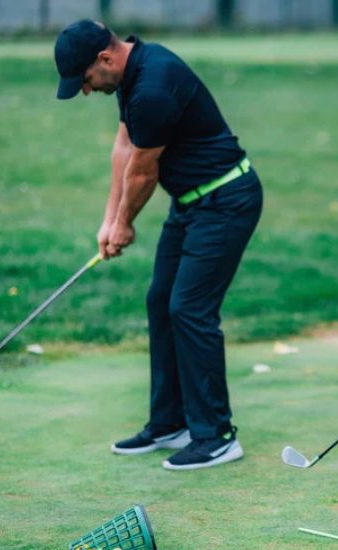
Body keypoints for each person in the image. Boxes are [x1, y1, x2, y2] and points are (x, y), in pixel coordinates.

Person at [54, 20, 263, 470]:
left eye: (85, 80)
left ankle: (217, 436)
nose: (86, 91)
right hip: (191, 203)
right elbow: (124, 148)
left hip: (226, 200)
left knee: (189, 308)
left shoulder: (153, 86)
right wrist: (109, 220)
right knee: (160, 301)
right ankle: (170, 423)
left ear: (105, 60)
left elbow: (144, 173)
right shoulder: (133, 73)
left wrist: (125, 224)